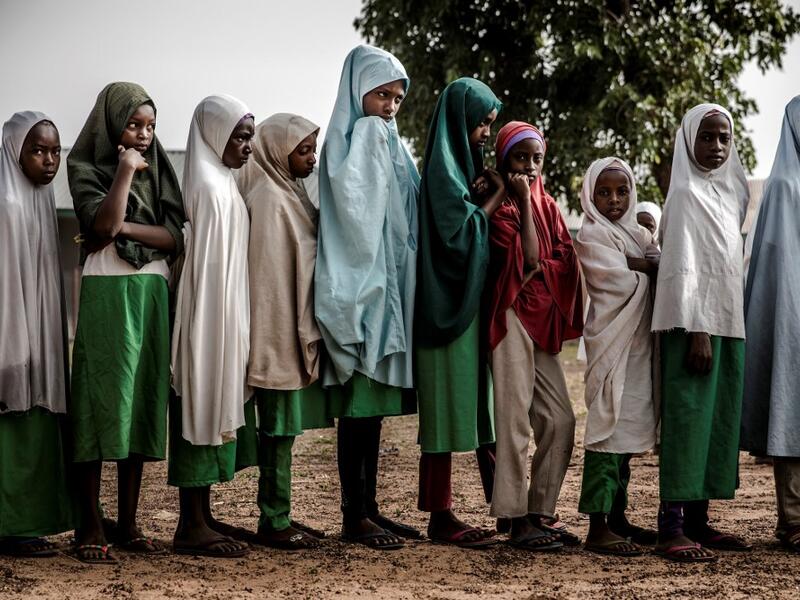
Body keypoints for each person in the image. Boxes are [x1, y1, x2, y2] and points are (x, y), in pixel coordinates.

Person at [68, 82, 185, 563]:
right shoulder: (84, 167)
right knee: (101, 402)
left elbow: (173, 237)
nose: (142, 135)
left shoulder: (160, 170)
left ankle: (129, 520)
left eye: (150, 126)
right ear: (111, 124)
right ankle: (90, 523)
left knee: (139, 401)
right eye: (133, 125)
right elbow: (100, 226)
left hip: (152, 292)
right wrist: (123, 173)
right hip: (108, 291)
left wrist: (127, 229)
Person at [314, 45, 420, 550]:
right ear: (360, 92)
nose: (390, 106)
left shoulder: (378, 137)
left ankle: (369, 508)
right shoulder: (366, 135)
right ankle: (354, 513)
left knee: (370, 411)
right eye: (381, 94)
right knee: (359, 410)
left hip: (379, 289)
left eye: (398, 98)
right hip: (364, 291)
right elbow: (361, 216)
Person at [651, 103, 751, 562]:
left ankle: (698, 521)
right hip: (692, 327)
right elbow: (682, 269)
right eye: (706, 137)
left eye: (723, 138)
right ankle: (670, 526)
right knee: (688, 420)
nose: (715, 146)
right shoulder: (685, 195)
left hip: (728, 324)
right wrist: (697, 328)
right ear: (688, 140)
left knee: (715, 424)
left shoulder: (733, 192)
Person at [414, 77, 504, 548]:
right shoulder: (443, 174)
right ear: (459, 121)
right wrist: (495, 197)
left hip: (468, 307)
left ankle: (506, 508)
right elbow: (459, 234)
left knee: (481, 410)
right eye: (482, 123)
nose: (487, 133)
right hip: (443, 309)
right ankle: (440, 515)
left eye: (491, 124)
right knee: (446, 412)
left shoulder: (463, 169)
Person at [485, 121, 583, 551]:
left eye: (535, 160)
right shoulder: (502, 202)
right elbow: (528, 259)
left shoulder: (550, 205)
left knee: (560, 418)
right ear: (505, 160)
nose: (528, 168)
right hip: (508, 317)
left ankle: (539, 512)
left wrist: (550, 262)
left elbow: (564, 256)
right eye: (519, 159)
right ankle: (512, 517)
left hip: (542, 318)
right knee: (512, 423)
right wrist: (522, 200)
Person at [237, 113, 332, 550]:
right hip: (275, 330)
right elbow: (267, 278)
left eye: (313, 149)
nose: (312, 159)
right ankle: (273, 520)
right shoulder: (269, 199)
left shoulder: (289, 192)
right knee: (276, 431)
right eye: (304, 150)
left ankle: (282, 514)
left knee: (284, 431)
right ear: (278, 151)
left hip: (289, 325)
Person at [170, 94, 256, 558]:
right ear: (215, 134)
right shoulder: (203, 183)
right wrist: (210, 321)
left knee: (213, 401)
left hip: (227, 311)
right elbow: (200, 266)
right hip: (206, 313)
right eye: (240, 136)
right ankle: (189, 523)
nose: (247, 145)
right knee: (198, 400)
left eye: (250, 137)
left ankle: (204, 513)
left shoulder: (225, 180)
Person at [575, 157, 660, 557]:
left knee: (625, 440)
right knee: (606, 434)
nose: (614, 200)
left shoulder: (635, 234)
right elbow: (615, 283)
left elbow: (646, 263)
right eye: (604, 192)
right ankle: (596, 525)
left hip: (638, 347)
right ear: (590, 196)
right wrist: (649, 268)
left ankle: (618, 518)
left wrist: (642, 261)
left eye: (622, 191)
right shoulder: (592, 234)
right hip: (611, 344)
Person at [0, 112, 74, 557]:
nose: (49, 161)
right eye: (38, 150)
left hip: (38, 334)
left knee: (36, 423)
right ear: (14, 150)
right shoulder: (5, 197)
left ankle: (28, 522)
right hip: (8, 335)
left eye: (55, 152)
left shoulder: (42, 198)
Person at [740, 95, 800, 553]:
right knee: (790, 409)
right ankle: (793, 519)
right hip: (791, 317)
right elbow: (779, 262)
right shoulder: (783, 185)